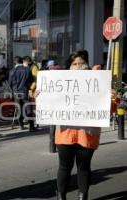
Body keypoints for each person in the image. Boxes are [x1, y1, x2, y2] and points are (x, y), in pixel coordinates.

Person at [55, 50, 101, 200]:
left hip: (87, 133)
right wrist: (39, 96)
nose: (78, 66)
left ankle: (83, 197)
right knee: (64, 167)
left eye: (81, 63)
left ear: (86, 65)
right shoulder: (60, 82)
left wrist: (111, 98)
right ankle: (61, 196)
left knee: (84, 167)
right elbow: (49, 103)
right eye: (74, 64)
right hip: (65, 133)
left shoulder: (98, 81)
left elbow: (109, 108)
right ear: (69, 66)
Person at [9, 56, 33, 130]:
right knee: (28, 107)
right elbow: (30, 80)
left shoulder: (12, 71)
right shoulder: (27, 69)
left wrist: (12, 90)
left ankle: (21, 125)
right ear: (22, 61)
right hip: (24, 91)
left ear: (15, 62)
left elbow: (10, 83)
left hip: (16, 92)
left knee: (19, 108)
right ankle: (31, 126)